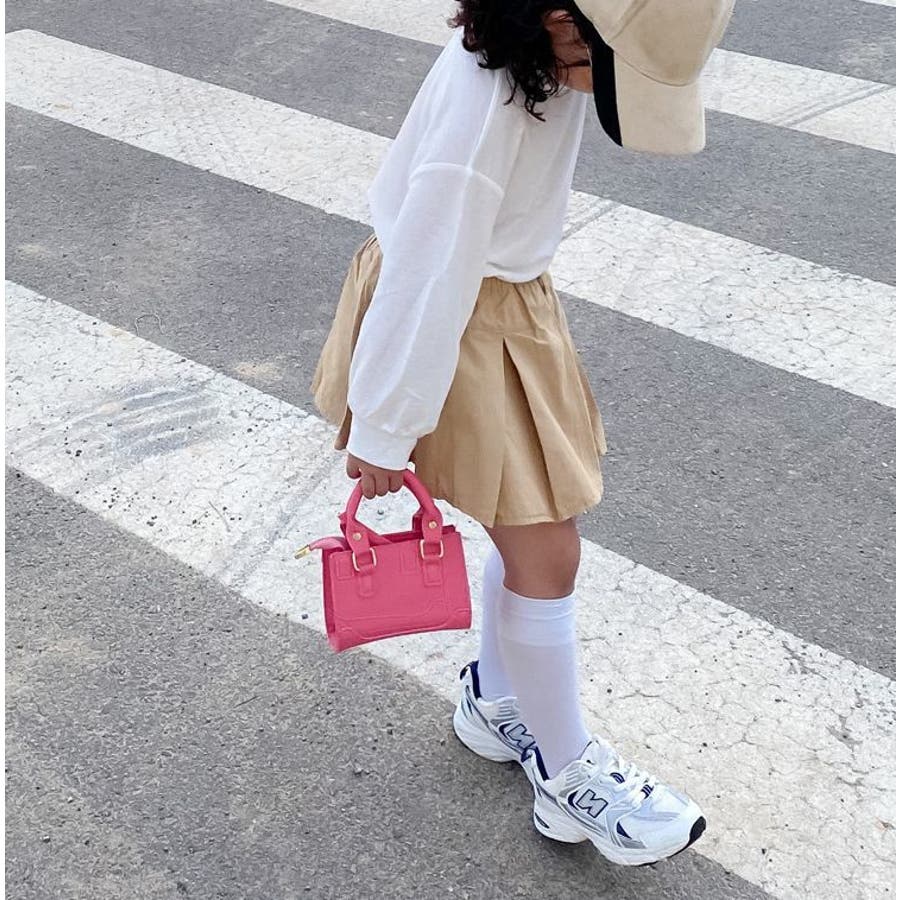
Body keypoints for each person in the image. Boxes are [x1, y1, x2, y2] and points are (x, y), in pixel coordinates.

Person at [312, 0, 730, 867]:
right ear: (555, 17)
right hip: (459, 313)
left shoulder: (539, 62)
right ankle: (567, 769)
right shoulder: (488, 107)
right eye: (609, 63)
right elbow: (426, 263)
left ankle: (498, 701)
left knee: (533, 514)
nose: (604, 86)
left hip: (506, 302)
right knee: (547, 548)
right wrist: (383, 427)